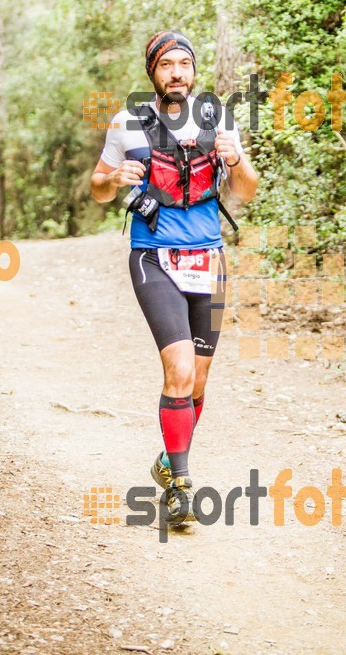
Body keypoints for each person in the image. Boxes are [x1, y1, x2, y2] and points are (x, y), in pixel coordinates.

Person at [90, 30, 258, 524]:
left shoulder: (218, 119)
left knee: (199, 380)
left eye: (184, 63)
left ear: (194, 70)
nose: (177, 73)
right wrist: (113, 180)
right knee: (180, 370)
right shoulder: (127, 124)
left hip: (209, 259)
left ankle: (167, 460)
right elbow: (97, 189)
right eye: (167, 65)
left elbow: (245, 191)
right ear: (153, 73)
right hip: (154, 258)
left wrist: (236, 158)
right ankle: (181, 486)